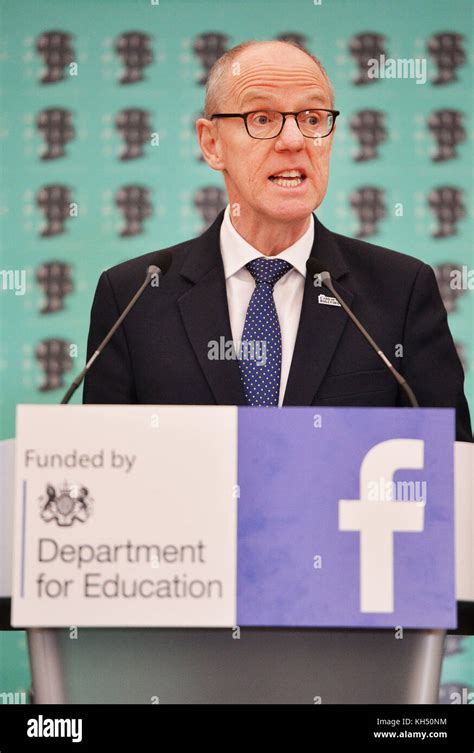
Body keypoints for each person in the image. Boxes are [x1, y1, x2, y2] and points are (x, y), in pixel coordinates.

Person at [83, 40, 472, 442]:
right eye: (263, 118)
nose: (294, 141)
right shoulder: (134, 296)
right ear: (211, 143)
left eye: (312, 118)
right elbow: (104, 471)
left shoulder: (400, 291)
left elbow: (450, 470)